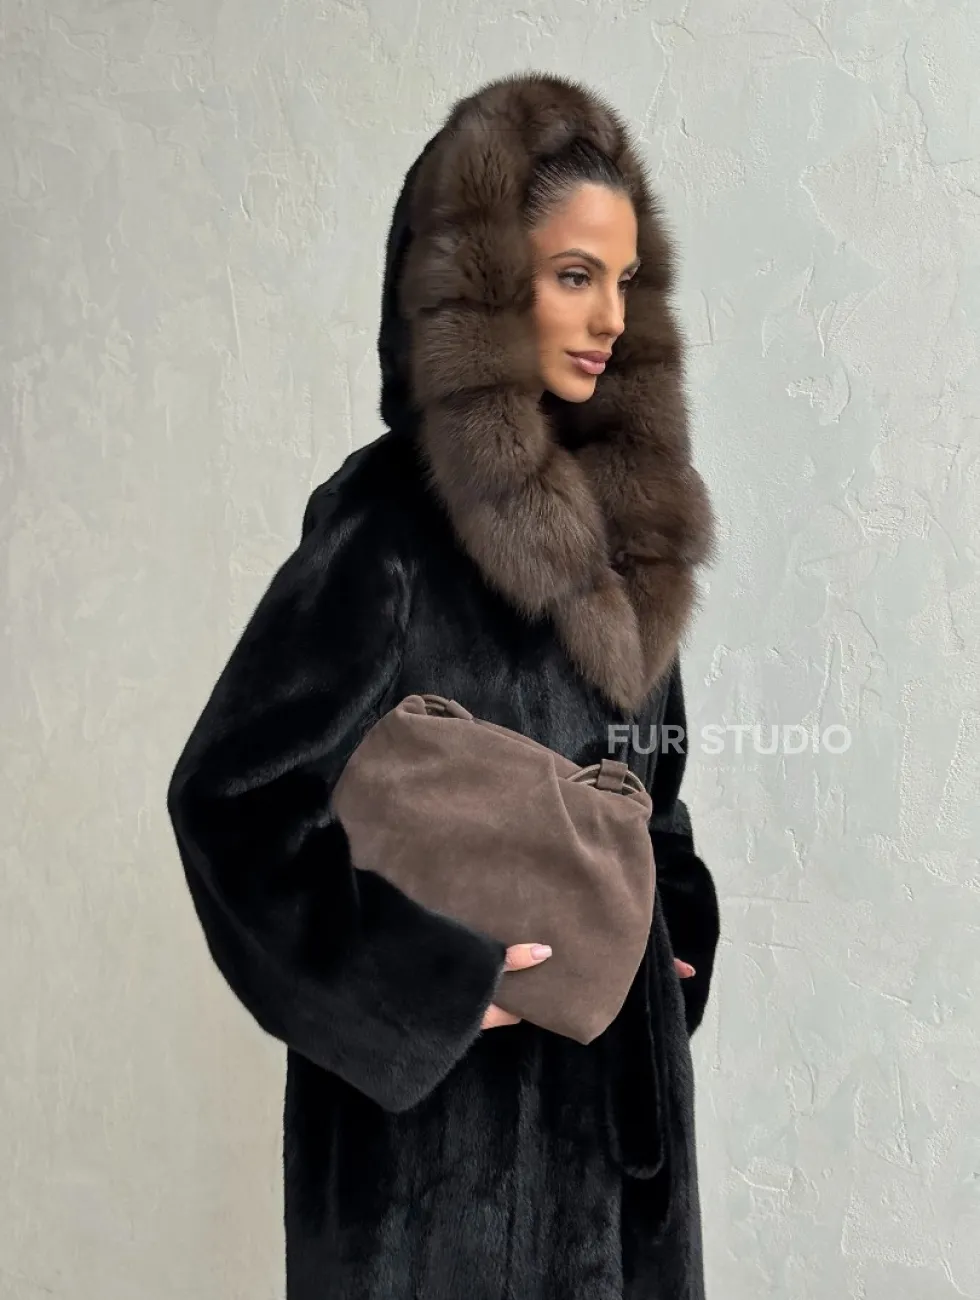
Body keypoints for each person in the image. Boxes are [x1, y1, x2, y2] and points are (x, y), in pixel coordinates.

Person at [167, 70, 720, 1300]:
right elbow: (232, 801)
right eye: (573, 274)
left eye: (623, 280)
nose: (609, 316)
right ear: (476, 282)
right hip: (427, 1183)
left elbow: (657, 795)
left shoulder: (628, 541)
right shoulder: (387, 526)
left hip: (619, 1153)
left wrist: (668, 928)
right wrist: (425, 982)